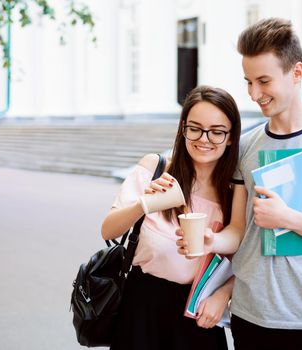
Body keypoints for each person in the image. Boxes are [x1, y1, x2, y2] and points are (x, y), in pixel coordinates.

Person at [176, 18, 302, 349]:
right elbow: (239, 231)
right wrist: (212, 241)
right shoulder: (247, 146)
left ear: (296, 73)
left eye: (264, 81)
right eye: (248, 82)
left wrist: (288, 219)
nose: (254, 94)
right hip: (250, 318)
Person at [101, 85, 241, 350]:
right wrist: (145, 204)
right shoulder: (156, 168)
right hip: (142, 307)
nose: (204, 139)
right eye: (195, 128)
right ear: (183, 128)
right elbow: (108, 230)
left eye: (217, 131)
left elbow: (246, 257)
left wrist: (224, 294)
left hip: (198, 310)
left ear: (231, 137)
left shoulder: (234, 193)